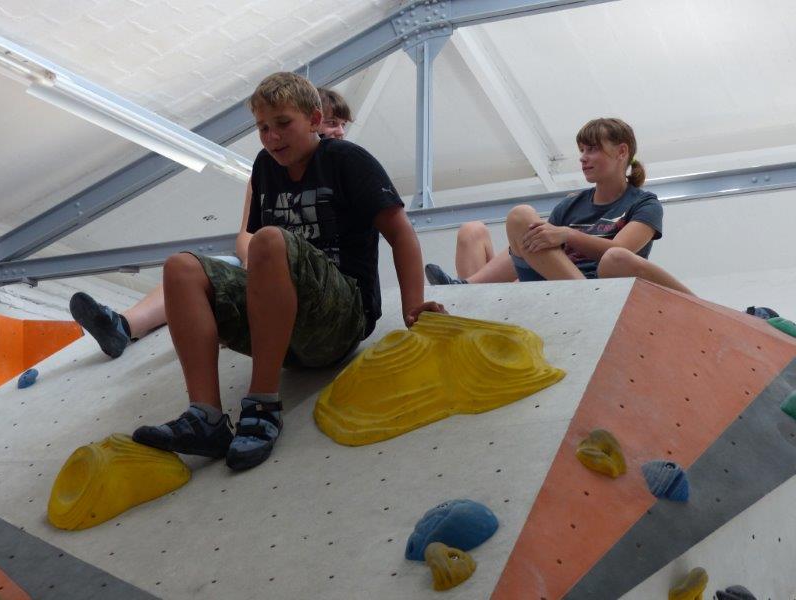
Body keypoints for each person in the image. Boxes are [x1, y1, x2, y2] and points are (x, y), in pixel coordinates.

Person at [132, 72, 444, 471]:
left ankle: (262, 404)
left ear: (314, 120)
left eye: (282, 123)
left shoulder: (346, 160)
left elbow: (400, 234)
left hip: (341, 317)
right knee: (180, 268)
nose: (272, 137)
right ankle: (205, 417)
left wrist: (413, 308)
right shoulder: (265, 167)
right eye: (263, 128)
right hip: (287, 333)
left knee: (267, 240)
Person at [69, 88, 355, 359]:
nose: (340, 132)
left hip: (313, 277)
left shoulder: (345, 169)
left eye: (342, 124)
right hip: (263, 263)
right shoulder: (267, 171)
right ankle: (122, 326)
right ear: (311, 121)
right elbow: (246, 235)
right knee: (195, 269)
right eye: (332, 123)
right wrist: (251, 261)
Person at [425, 117, 692, 295]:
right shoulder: (571, 204)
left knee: (615, 259)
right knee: (519, 216)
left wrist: (567, 234)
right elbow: (537, 248)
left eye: (592, 149)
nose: (583, 158)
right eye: (582, 150)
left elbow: (620, 250)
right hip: (554, 283)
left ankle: (698, 305)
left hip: (603, 285)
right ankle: (466, 288)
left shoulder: (644, 203)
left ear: (622, 152)